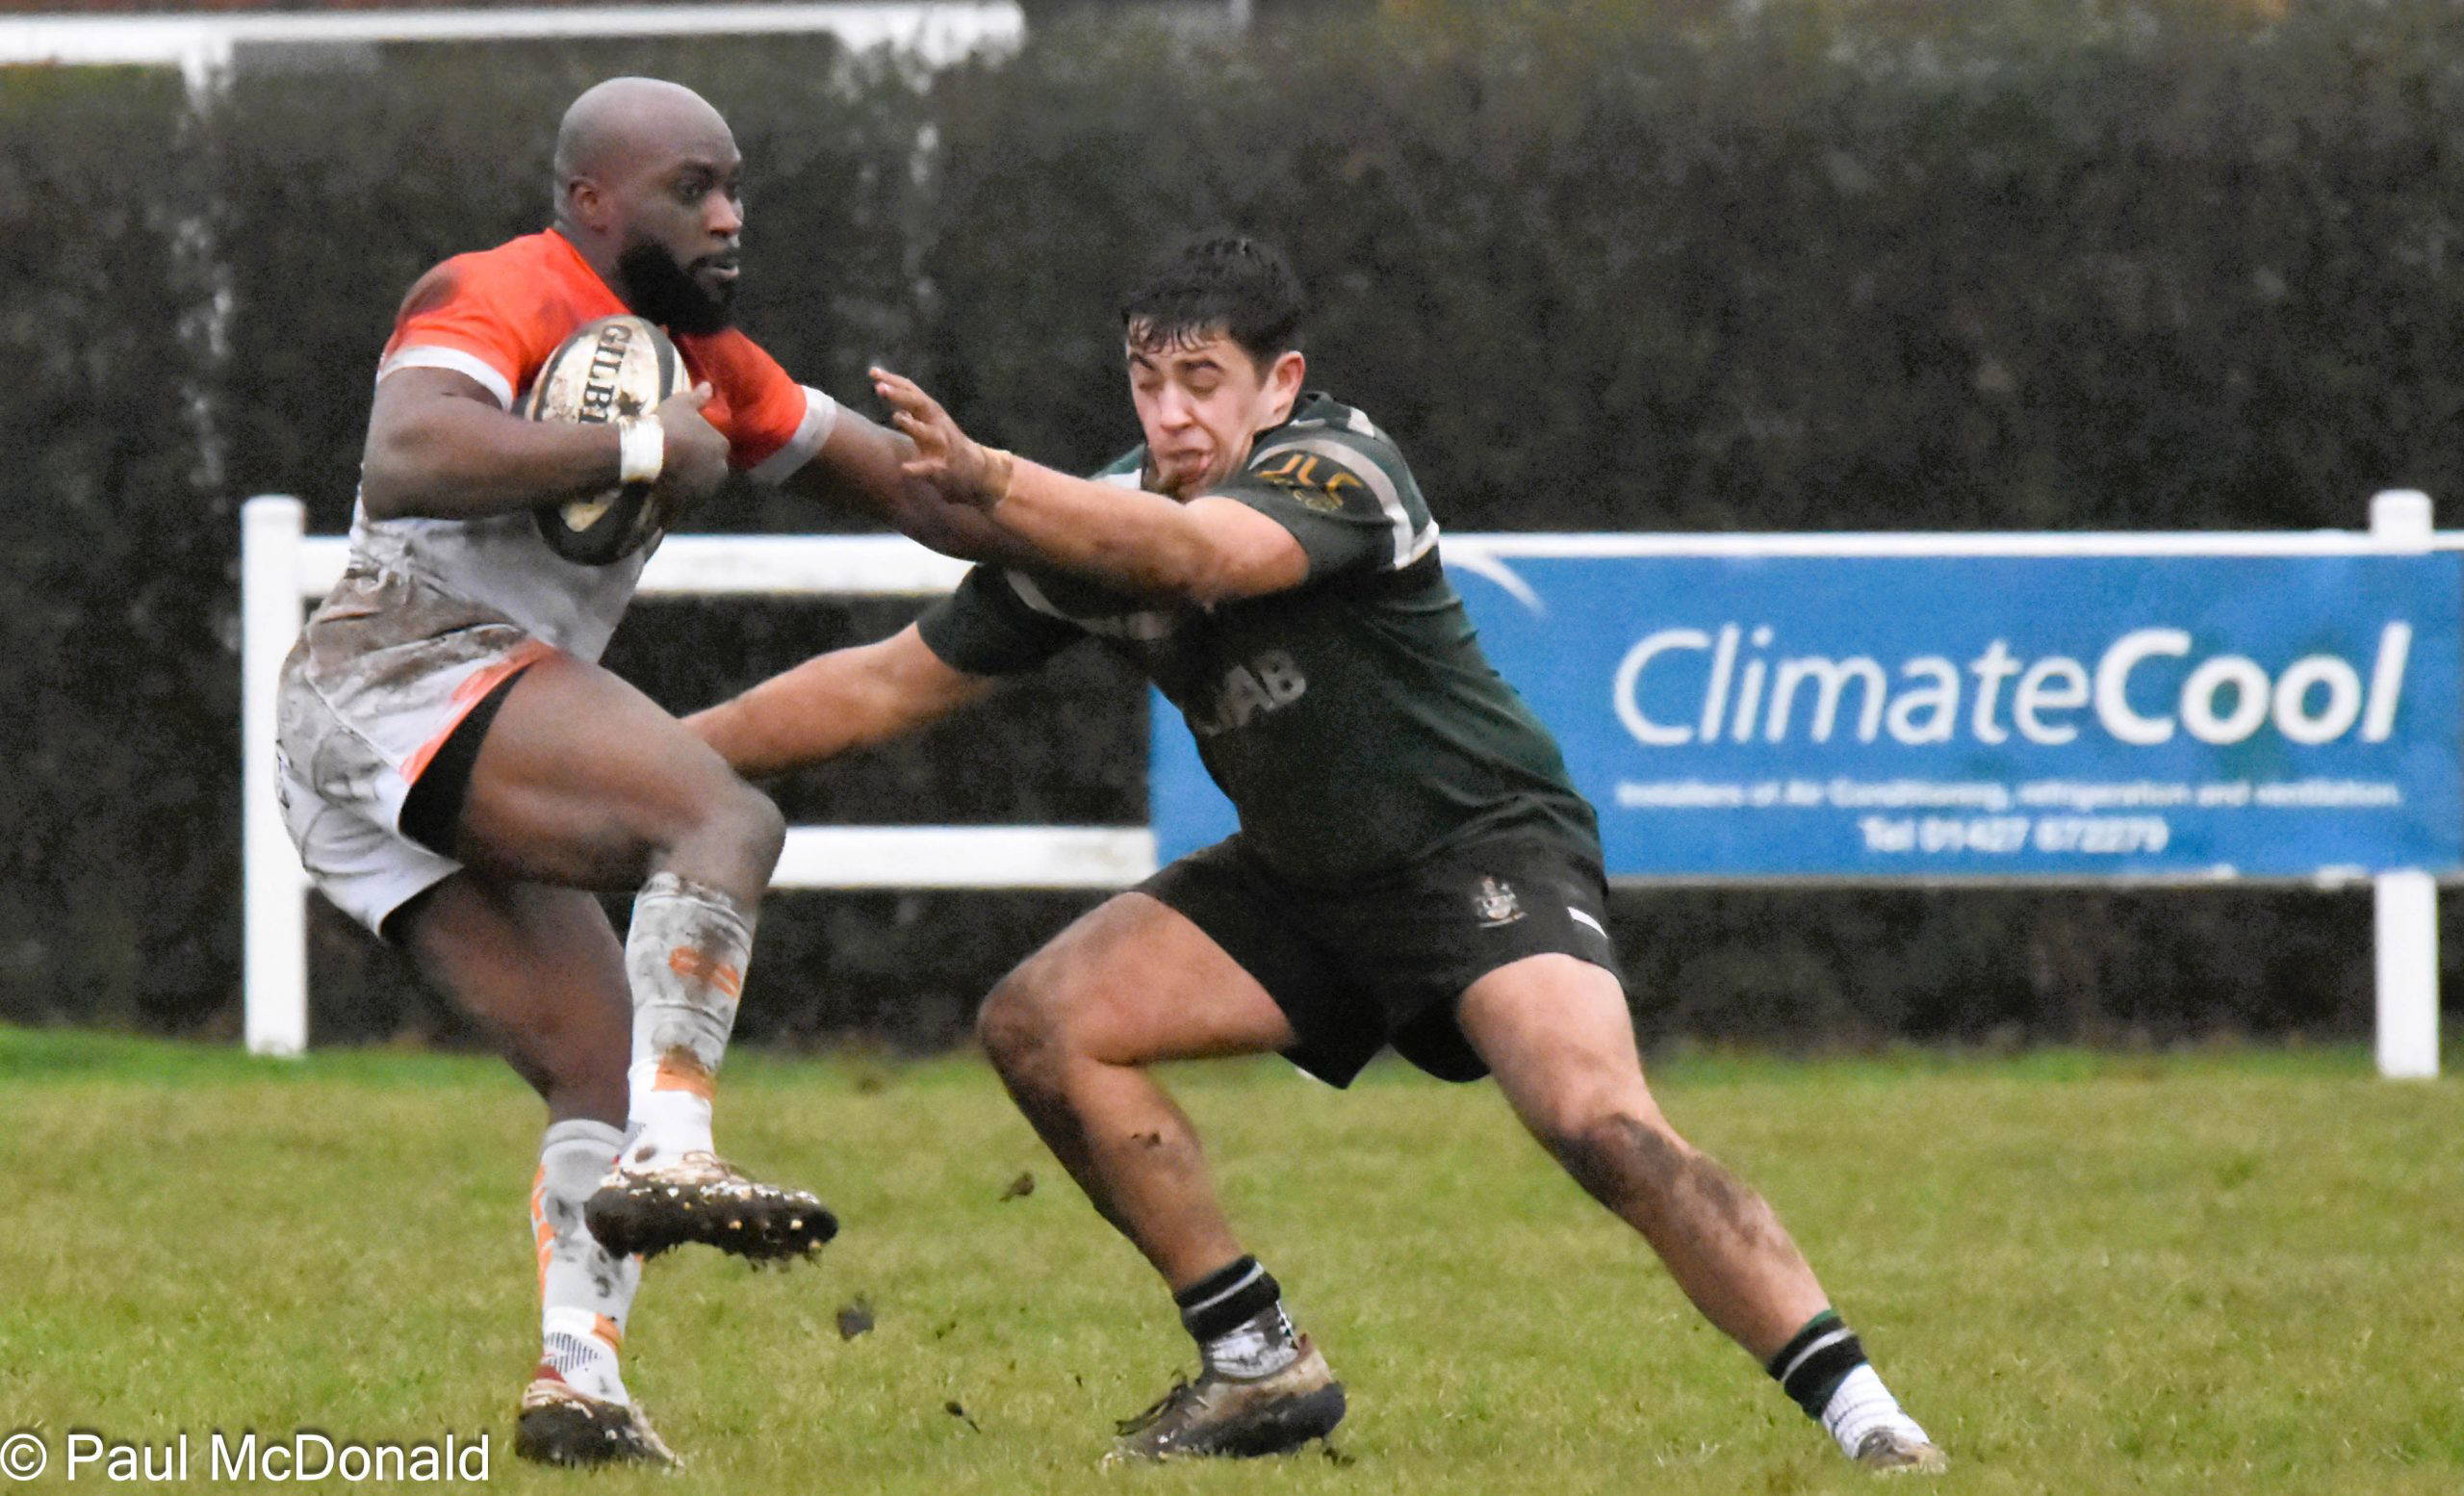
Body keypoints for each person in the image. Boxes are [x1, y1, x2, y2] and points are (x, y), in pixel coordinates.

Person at [689, 237, 1947, 1472]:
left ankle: (1871, 1420)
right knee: (1044, 1022)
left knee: (1600, 1126)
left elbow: (1197, 554)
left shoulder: (1339, 467)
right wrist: (645, 768)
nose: (1171, 416)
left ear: (1279, 384)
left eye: (1203, 383)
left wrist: (994, 479)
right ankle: (1255, 1360)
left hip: (1476, 845)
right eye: (1147, 383)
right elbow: (882, 685)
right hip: (1302, 877)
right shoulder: (1097, 521)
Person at [273, 77, 963, 1468]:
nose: (728, 216)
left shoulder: (713, 363)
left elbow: (909, 485)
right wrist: (644, 444)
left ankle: (578, 1384)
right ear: (591, 200)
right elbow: (406, 454)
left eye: (735, 187)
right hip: (394, 664)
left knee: (597, 1055)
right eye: (691, 188)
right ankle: (677, 1151)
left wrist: (1103, 522)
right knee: (719, 819)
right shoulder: (496, 287)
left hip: (397, 731)